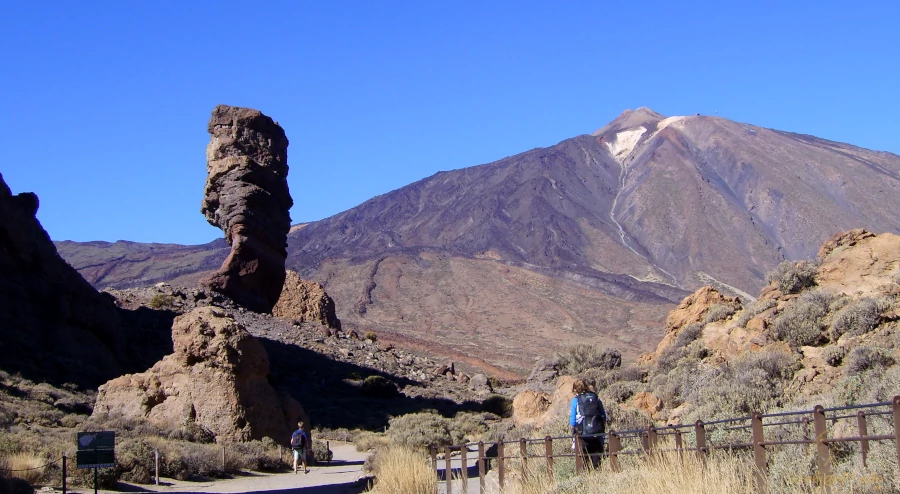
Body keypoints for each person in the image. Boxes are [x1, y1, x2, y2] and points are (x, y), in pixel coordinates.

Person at [569, 379, 606, 469]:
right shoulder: (596, 397)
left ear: (575, 390)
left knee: (583, 465)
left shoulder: (576, 400)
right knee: (596, 465)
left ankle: (585, 480)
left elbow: (572, 421)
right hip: (597, 434)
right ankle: (597, 480)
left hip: (583, 435)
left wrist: (575, 429)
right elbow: (604, 416)